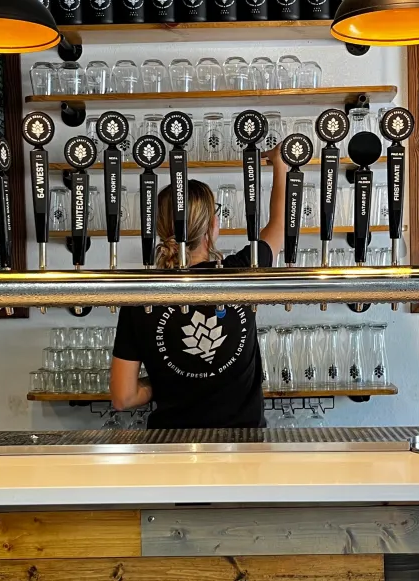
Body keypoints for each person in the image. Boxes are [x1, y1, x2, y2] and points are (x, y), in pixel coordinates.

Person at [109, 146, 289, 427]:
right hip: (243, 448)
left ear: (160, 228)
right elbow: (279, 225)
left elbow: (123, 397)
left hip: (171, 448)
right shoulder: (240, 272)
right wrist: (280, 165)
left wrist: (167, 381)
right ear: (211, 228)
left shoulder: (140, 295)